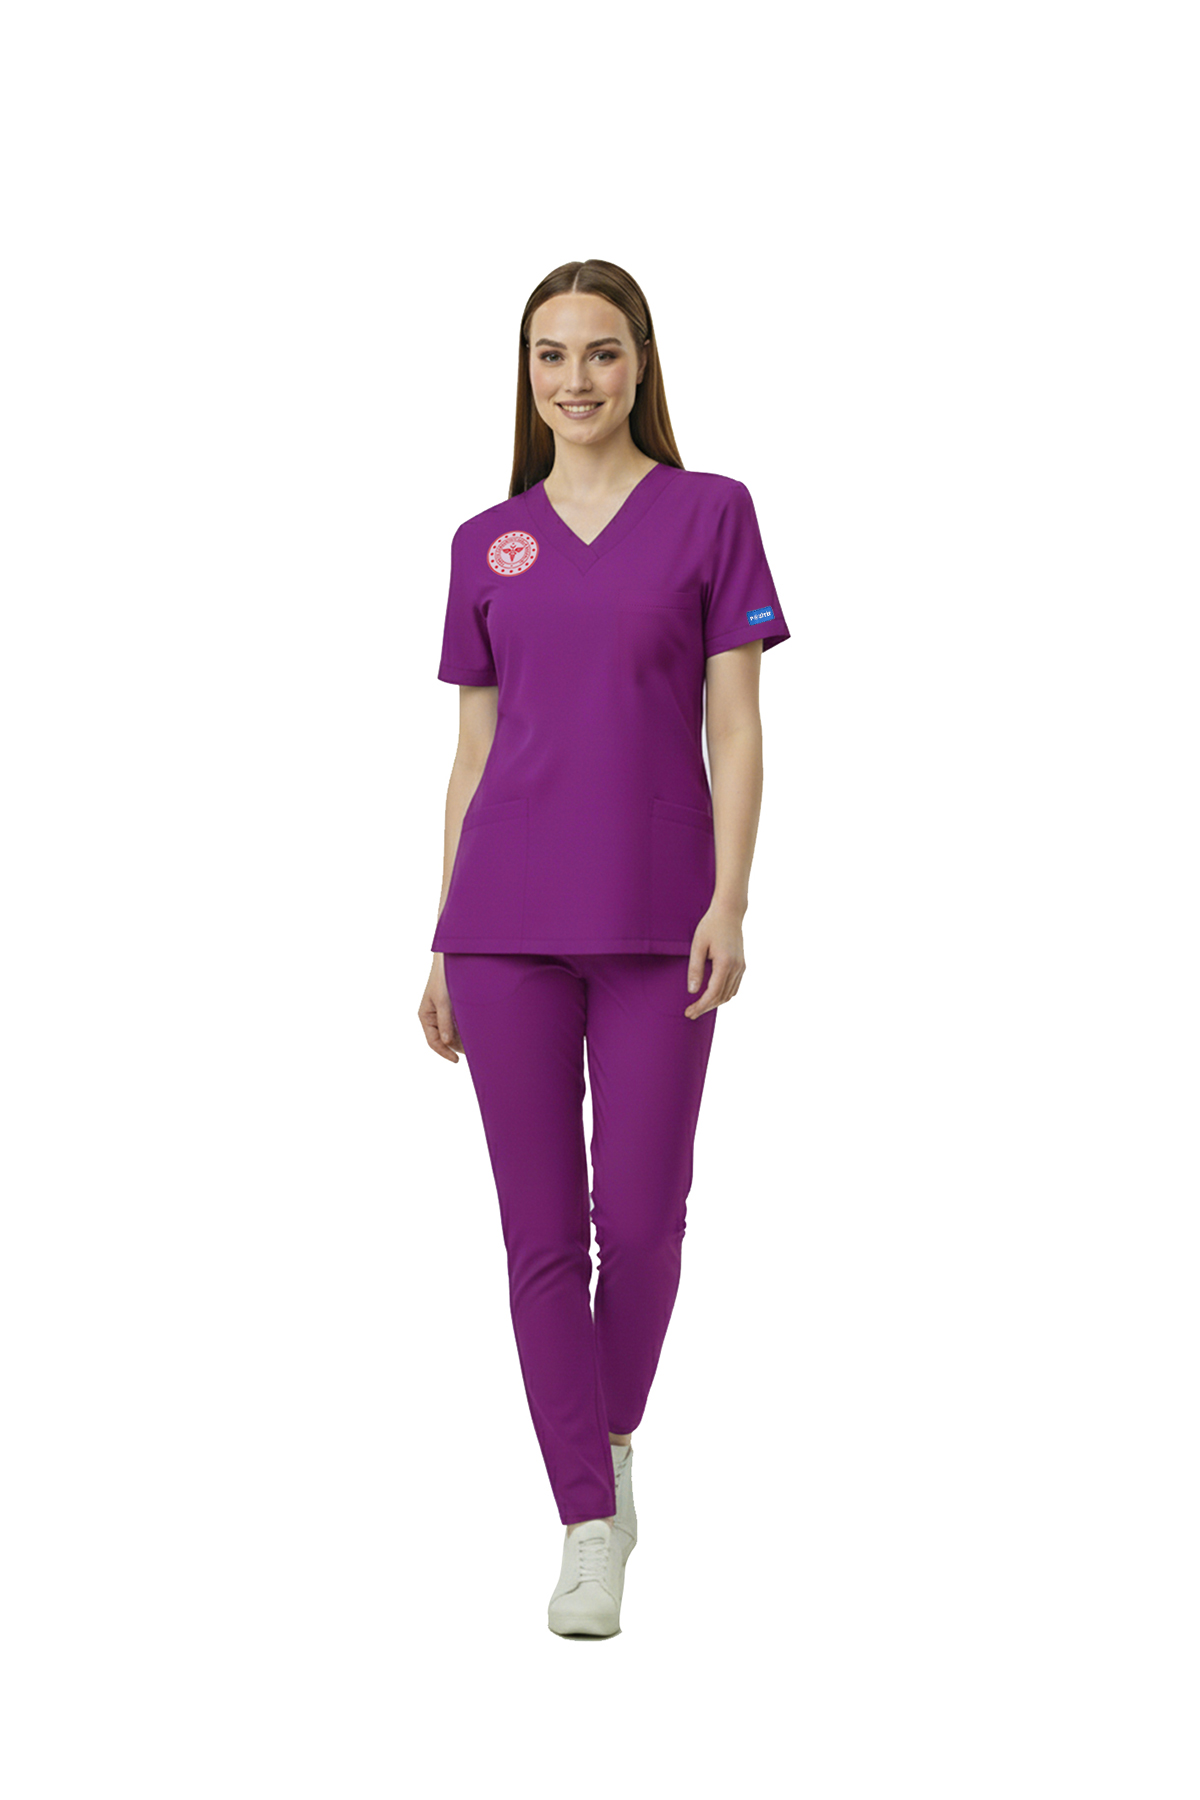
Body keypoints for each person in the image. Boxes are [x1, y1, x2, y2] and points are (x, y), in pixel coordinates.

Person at [417, 259, 791, 1637]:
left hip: (656, 913)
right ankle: (586, 1518)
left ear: (641, 365)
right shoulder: (487, 540)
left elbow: (736, 723)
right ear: (527, 375)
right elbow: (471, 754)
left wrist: (730, 899)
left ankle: (613, 1440)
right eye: (551, 355)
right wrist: (442, 938)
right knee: (537, 1231)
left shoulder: (711, 513)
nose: (575, 379)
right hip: (502, 923)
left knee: (639, 1219)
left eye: (601, 352)